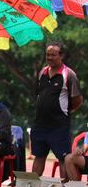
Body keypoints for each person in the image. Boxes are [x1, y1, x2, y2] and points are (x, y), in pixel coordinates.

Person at [31, 42, 83, 178]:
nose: (49, 57)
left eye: (53, 55)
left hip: (59, 126)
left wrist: (64, 112)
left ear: (61, 56)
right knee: (39, 156)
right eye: (47, 55)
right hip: (40, 124)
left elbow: (78, 101)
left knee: (63, 158)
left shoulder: (69, 74)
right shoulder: (42, 72)